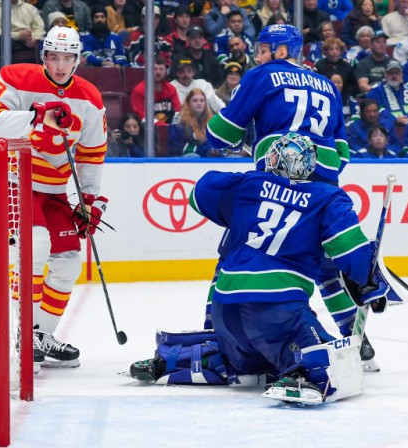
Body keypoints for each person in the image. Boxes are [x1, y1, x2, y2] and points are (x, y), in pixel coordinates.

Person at [129, 133, 390, 405]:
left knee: (250, 367)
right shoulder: (328, 197)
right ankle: (301, 376)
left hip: (226, 308)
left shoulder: (247, 184)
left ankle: (174, 361)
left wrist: (245, 198)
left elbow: (199, 193)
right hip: (278, 308)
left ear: (272, 158)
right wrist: (372, 283)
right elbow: (350, 248)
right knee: (331, 361)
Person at [206, 24, 383, 368]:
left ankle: (216, 334)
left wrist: (253, 142)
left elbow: (220, 134)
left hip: (275, 177)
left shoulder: (261, 76)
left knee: (239, 247)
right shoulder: (328, 86)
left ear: (282, 51)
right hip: (324, 183)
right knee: (327, 267)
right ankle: (359, 344)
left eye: (263, 49)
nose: (257, 56)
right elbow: (343, 153)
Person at [0, 26, 108, 369]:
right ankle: (24, 335)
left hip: (53, 191)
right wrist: (38, 114)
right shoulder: (16, 78)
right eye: (54, 57)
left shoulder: (90, 98)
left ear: (78, 59)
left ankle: (41, 335)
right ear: (44, 57)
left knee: (67, 261)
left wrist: (89, 201)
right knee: (34, 250)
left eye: (68, 58)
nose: (61, 65)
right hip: (15, 182)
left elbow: (91, 154)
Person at [367, 59, 408, 127]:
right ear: (385, 75)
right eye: (391, 73)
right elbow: (378, 111)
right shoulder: (376, 91)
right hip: (388, 128)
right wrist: (396, 120)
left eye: (397, 73)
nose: (394, 76)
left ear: (401, 74)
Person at [131, 57, 181, 123]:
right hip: (148, 129)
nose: (158, 72)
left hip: (170, 129)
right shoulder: (138, 90)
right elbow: (142, 117)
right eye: (155, 69)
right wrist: (163, 125)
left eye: (161, 69)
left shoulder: (171, 89)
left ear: (165, 71)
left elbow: (178, 112)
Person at [170, 88, 216, 156]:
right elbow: (178, 147)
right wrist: (208, 150)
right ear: (188, 103)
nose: (199, 103)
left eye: (202, 100)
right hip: (183, 158)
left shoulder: (210, 121)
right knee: (193, 156)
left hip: (205, 156)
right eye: (195, 101)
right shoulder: (179, 122)